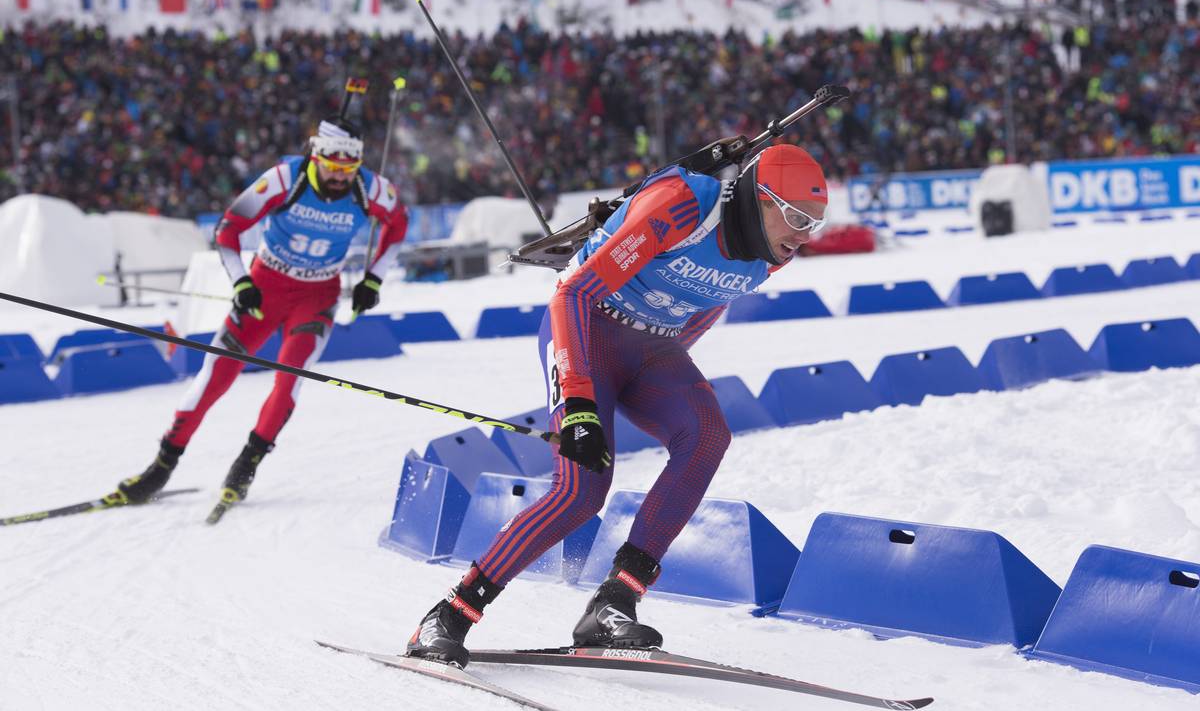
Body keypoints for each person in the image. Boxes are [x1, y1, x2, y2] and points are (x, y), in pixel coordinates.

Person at [406, 143, 828, 666]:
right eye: (793, 216)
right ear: (756, 197)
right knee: (582, 492)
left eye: (813, 223)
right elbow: (571, 295)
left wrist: (660, 372)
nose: (802, 235)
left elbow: (706, 303)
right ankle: (447, 616)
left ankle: (614, 602)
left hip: (650, 351)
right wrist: (582, 400)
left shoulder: (773, 252)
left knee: (706, 436)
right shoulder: (681, 205)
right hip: (586, 331)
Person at [115, 114, 408, 506]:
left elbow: (398, 226)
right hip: (266, 290)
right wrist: (241, 282)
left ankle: (247, 463)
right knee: (215, 376)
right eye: (332, 167)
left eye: (348, 168)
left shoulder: (372, 189)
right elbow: (227, 229)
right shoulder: (286, 179)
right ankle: (161, 467)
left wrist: (373, 278)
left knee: (289, 380)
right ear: (315, 156)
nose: (340, 177)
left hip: (316, 298)